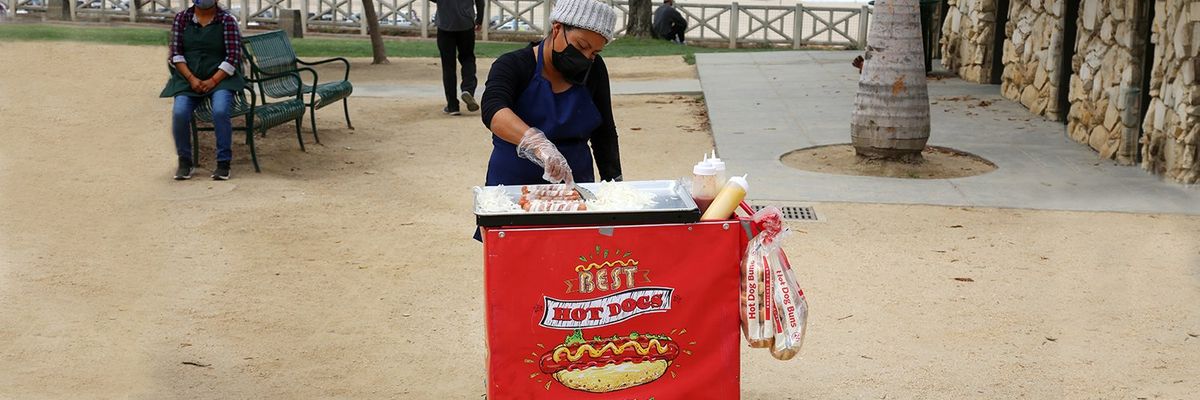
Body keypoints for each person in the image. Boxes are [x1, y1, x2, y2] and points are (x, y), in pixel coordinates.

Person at [480, 0, 622, 189]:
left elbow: (604, 133)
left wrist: (615, 186)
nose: (586, 57)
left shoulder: (594, 70)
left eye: (594, 53)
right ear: (557, 28)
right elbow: (493, 109)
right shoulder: (512, 64)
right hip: (512, 185)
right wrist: (538, 144)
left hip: (575, 187)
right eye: (580, 46)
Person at [159, 0, 244, 180]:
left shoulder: (227, 21)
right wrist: (191, 78)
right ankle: (185, 161)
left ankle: (223, 163)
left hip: (221, 78)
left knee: (220, 111)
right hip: (189, 79)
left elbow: (233, 56)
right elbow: (175, 54)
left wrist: (213, 80)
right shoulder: (181, 19)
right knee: (180, 112)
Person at [432, 0, 485, 116]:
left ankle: (452, 105)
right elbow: (480, 1)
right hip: (466, 23)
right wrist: (479, 19)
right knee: (468, 58)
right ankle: (468, 89)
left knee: (448, 66)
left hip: (445, 23)